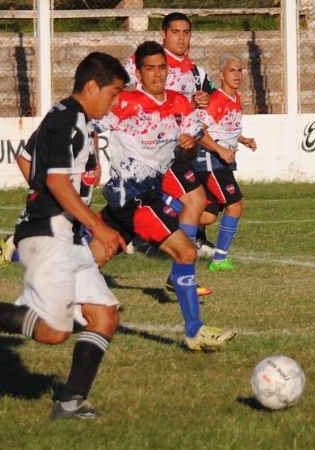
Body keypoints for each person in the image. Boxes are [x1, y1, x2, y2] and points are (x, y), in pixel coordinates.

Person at [0, 52, 128, 420]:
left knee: (104, 316)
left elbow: (26, 158)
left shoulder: (64, 115)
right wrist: (97, 225)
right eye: (113, 94)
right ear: (92, 86)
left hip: (63, 233)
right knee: (53, 331)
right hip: (49, 233)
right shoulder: (71, 120)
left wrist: (57, 208)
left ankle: (70, 402)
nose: (113, 102)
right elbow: (55, 181)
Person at [95, 41, 233, 351]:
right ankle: (195, 331)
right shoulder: (124, 104)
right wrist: (89, 161)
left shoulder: (180, 104)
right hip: (134, 198)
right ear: (139, 72)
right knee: (186, 252)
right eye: (150, 68)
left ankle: (26, 258)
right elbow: (88, 122)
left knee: (92, 258)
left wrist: (189, 147)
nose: (157, 74)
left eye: (161, 67)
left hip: (140, 196)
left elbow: (191, 150)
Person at [123, 12, 218, 256]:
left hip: (178, 150)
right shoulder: (150, 59)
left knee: (205, 212)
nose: (181, 38)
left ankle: (147, 230)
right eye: (175, 32)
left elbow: (181, 107)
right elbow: (118, 84)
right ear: (164, 34)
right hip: (152, 150)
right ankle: (180, 257)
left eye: (186, 33)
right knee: (196, 203)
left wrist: (198, 102)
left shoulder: (190, 71)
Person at [194, 55, 257, 272]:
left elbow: (223, 128)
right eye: (232, 70)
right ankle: (219, 260)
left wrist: (243, 139)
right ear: (221, 75)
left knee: (208, 216)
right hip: (211, 161)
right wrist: (221, 150)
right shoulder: (217, 100)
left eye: (240, 70)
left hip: (222, 162)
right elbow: (198, 130)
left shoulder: (235, 98)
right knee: (235, 206)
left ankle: (166, 214)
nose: (237, 75)